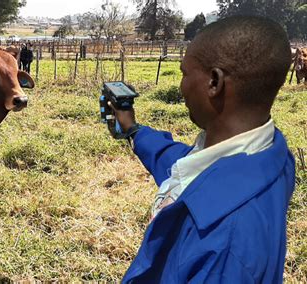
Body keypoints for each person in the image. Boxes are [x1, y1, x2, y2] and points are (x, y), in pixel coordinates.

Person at [110, 16, 295, 283]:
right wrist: (134, 130)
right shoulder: (271, 157)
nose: (181, 86)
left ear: (214, 83)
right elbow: (182, 166)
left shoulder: (225, 249)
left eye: (185, 73)